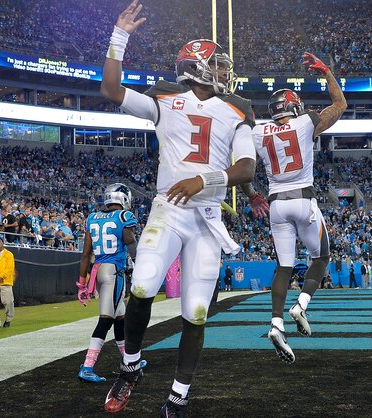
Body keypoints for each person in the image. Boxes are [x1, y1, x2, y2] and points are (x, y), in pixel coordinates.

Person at [100, 2, 257, 415]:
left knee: (196, 312)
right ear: (198, 67)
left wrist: (204, 179)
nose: (226, 72)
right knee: (143, 284)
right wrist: (120, 37)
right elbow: (112, 91)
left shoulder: (239, 107)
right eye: (218, 65)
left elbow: (246, 166)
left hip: (207, 218)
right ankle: (130, 367)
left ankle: (177, 397)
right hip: (168, 208)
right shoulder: (165, 97)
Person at [249, 51, 346, 363]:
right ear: (295, 107)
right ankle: (301, 304)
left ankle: (276, 323)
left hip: (276, 204)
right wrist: (327, 72)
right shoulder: (305, 123)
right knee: (322, 257)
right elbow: (340, 105)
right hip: (303, 199)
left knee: (284, 267)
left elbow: (241, 165)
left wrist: (251, 193)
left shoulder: (258, 132)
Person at [75, 183, 139, 383]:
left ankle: (128, 360)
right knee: (106, 319)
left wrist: (82, 283)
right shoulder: (123, 217)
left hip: (98, 271)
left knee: (120, 318)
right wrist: (141, 263)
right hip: (114, 272)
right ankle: (87, 366)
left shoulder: (92, 217)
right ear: (123, 199)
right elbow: (129, 242)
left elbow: (86, 254)